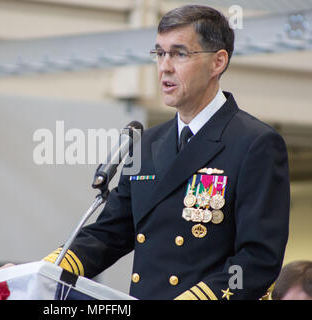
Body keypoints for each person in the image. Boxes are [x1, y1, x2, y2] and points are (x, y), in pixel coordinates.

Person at [43, 5, 290, 300]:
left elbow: (256, 262)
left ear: (218, 62)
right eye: (160, 53)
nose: (165, 67)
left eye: (180, 53)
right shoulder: (146, 144)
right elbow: (107, 234)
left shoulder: (255, 143)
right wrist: (41, 271)